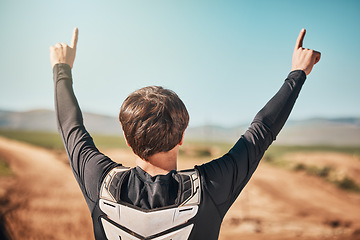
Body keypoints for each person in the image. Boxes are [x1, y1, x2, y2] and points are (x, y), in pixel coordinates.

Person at [50, 28, 320, 240]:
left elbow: (71, 127)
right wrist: (298, 73)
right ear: (181, 137)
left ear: (127, 138)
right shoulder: (211, 188)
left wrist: (62, 68)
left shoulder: (101, 183)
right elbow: (261, 131)